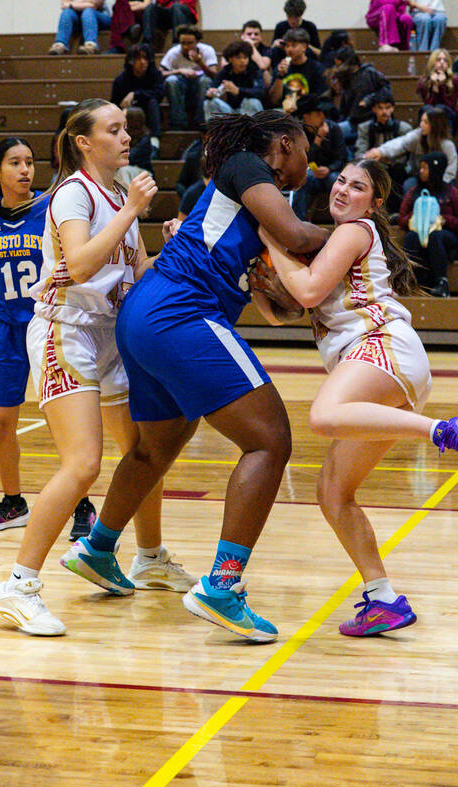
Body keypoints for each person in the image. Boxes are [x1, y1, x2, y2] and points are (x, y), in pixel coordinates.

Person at [94, 111, 330, 643]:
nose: (306, 168)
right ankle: (221, 587)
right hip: (181, 311)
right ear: (285, 144)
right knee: (270, 441)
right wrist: (358, 233)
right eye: (304, 154)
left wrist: (282, 289)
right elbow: (299, 235)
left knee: (157, 447)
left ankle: (97, 547)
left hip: (149, 315)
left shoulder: (258, 203)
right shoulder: (246, 166)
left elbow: (283, 306)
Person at [256, 158, 458, 636]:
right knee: (333, 492)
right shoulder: (334, 239)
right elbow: (284, 313)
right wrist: (259, 277)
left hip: (382, 345)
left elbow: (311, 291)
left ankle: (447, 431)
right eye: (340, 180)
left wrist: (270, 238)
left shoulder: (355, 230)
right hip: (388, 362)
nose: (342, 189)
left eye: (357, 186)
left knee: (323, 415)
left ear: (374, 203)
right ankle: (384, 599)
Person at [0, 99, 189, 638]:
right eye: (115, 130)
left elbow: (133, 270)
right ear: (84, 141)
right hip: (66, 331)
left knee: (143, 453)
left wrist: (172, 246)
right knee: (82, 465)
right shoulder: (73, 193)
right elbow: (78, 264)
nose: (128, 138)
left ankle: (149, 557)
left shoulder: (120, 193)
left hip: (111, 332)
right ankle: (18, 586)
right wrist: (131, 213)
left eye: (127, 129)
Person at [0, 137, 96, 535]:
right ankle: (13, 502)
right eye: (15, 163)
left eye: (29, 162)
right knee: (0, 421)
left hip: (48, 323)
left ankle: (81, 503)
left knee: (61, 419)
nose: (25, 169)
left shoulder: (54, 207)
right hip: (6, 328)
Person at [398, 152, 458, 297]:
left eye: (425, 168)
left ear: (435, 169)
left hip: (444, 234)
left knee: (435, 237)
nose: (421, 171)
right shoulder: (413, 192)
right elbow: (402, 219)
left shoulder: (451, 192)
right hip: (418, 232)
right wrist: (414, 217)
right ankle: (410, 282)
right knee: (411, 237)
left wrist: (444, 219)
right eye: (420, 168)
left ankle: (442, 283)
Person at [366, 108, 456, 197]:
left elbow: (451, 171)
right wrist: (380, 151)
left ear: (435, 125)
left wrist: (438, 185)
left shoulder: (447, 145)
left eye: (425, 122)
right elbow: (400, 143)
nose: (421, 125)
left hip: (442, 181)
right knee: (409, 185)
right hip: (420, 178)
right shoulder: (418, 135)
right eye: (421, 121)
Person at [291, 95, 344, 221]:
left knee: (337, 180)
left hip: (331, 172)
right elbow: (302, 160)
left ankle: (343, 220)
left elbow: (342, 158)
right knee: (303, 180)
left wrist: (329, 169)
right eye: (318, 113)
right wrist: (318, 140)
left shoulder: (334, 129)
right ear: (306, 116)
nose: (323, 116)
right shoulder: (299, 133)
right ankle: (299, 222)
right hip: (309, 172)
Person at [355, 95, 411, 208]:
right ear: (374, 109)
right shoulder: (365, 127)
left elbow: (407, 156)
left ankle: (395, 212)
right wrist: (372, 160)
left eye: (387, 107)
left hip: (396, 168)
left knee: (398, 171)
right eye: (380, 108)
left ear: (393, 108)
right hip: (373, 166)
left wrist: (389, 161)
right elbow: (359, 153)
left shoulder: (404, 128)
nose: (384, 112)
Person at [158, 25, 217, 130]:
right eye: (182, 43)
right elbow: (159, 73)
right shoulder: (173, 52)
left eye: (189, 43)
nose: (185, 46)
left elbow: (214, 75)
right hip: (181, 86)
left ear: (197, 42)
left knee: (206, 81)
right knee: (171, 81)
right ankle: (178, 122)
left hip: (200, 87)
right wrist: (179, 71)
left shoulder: (207, 50)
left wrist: (200, 63)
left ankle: (201, 122)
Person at [110, 44, 165, 148]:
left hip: (149, 112)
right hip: (128, 114)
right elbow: (115, 102)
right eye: (138, 58)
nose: (143, 62)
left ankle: (154, 141)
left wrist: (135, 94)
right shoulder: (121, 79)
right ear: (131, 61)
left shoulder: (155, 75)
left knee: (152, 102)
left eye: (145, 58)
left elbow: (159, 95)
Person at [204, 40, 266, 123]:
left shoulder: (254, 70)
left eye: (245, 57)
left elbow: (261, 92)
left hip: (248, 111)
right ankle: (217, 133)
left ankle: (250, 133)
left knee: (252, 102)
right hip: (230, 112)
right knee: (209, 102)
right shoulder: (226, 71)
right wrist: (211, 93)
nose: (242, 61)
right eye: (238, 57)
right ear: (230, 59)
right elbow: (213, 88)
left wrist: (238, 91)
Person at [266, 28, 324, 111]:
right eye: (287, 46)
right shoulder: (281, 67)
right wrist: (280, 76)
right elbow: (274, 101)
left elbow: (320, 98)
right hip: (284, 112)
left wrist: (298, 106)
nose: (289, 49)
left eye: (293, 45)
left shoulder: (316, 68)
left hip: (308, 111)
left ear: (304, 47)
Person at [416, 48, 458, 131]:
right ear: (432, 62)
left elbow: (451, 105)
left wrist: (441, 86)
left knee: (441, 108)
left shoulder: (455, 80)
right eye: (438, 60)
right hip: (430, 115)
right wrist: (434, 86)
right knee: (426, 109)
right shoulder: (423, 82)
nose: (442, 62)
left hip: (449, 115)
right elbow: (429, 104)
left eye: (445, 60)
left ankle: (443, 138)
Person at [133, 0, 198, 48]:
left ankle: (177, 43)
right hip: (168, 12)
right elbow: (161, 1)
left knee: (177, 7)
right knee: (151, 7)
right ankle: (147, 44)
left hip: (184, 13)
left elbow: (188, 2)